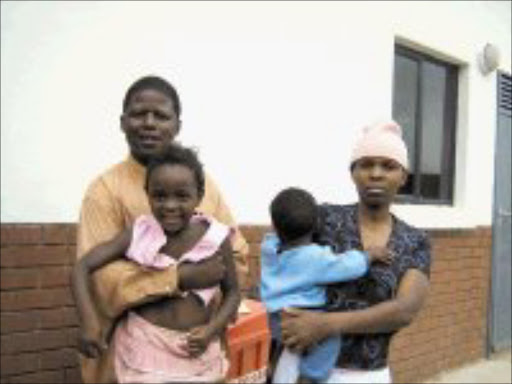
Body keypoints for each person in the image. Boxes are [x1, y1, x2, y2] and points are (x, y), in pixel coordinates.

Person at [76, 75, 249, 383]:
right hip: (133, 356)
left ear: (177, 125)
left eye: (161, 115)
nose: (149, 123)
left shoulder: (205, 184)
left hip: (196, 349)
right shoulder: (104, 190)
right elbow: (101, 279)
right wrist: (178, 278)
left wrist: (210, 323)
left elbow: (236, 255)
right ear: (123, 122)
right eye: (139, 114)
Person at [273, 121, 431, 383]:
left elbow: (405, 311)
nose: (376, 174)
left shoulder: (414, 241)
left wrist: (325, 324)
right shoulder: (321, 218)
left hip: (366, 374)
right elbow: (281, 264)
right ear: (353, 172)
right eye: (366, 164)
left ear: (403, 176)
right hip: (299, 367)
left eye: (388, 166)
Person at [260, 187, 393, 384]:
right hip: (303, 315)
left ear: (274, 225)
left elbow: (272, 236)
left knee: (289, 346)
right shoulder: (315, 258)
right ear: (316, 226)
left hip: (275, 319)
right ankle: (309, 377)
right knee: (329, 340)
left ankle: (275, 364)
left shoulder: (269, 248)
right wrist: (369, 255)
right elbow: (347, 265)